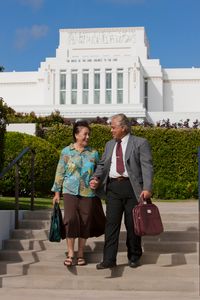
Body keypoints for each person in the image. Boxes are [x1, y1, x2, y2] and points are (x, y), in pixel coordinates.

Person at [90, 113, 153, 269]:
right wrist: (96, 178)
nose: (111, 130)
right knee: (111, 224)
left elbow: (147, 167)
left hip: (132, 189)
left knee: (132, 225)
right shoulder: (109, 144)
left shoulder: (140, 143)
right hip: (113, 188)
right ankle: (109, 259)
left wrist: (147, 188)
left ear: (123, 128)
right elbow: (103, 165)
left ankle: (134, 256)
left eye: (113, 127)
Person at [52, 120, 105, 267]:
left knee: (85, 222)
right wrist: (56, 192)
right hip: (69, 191)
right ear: (76, 135)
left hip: (88, 192)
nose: (87, 137)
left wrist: (97, 180)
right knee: (70, 220)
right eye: (85, 134)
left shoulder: (93, 153)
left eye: (89, 134)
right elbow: (60, 172)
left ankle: (81, 253)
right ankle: (70, 253)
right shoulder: (66, 151)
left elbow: (99, 172)